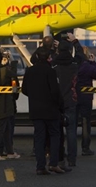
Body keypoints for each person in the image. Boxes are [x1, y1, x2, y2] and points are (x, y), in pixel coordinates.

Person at [22, 47, 66, 175]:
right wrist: (60, 106)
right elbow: (55, 91)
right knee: (54, 136)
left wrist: (35, 96)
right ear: (48, 58)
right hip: (51, 110)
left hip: (36, 109)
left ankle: (40, 166)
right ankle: (53, 163)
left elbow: (24, 89)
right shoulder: (50, 71)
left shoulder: (30, 71)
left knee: (39, 138)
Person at [52, 30, 85, 169]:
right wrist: (75, 41)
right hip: (71, 100)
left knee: (56, 132)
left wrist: (56, 48)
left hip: (57, 102)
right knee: (71, 132)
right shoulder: (74, 65)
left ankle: (58, 158)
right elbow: (81, 56)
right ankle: (72, 159)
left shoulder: (54, 65)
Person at [74, 46, 96, 156]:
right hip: (86, 97)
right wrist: (93, 63)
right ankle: (85, 148)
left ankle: (72, 149)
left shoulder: (74, 66)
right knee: (86, 123)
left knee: (73, 124)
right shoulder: (88, 67)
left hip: (74, 96)